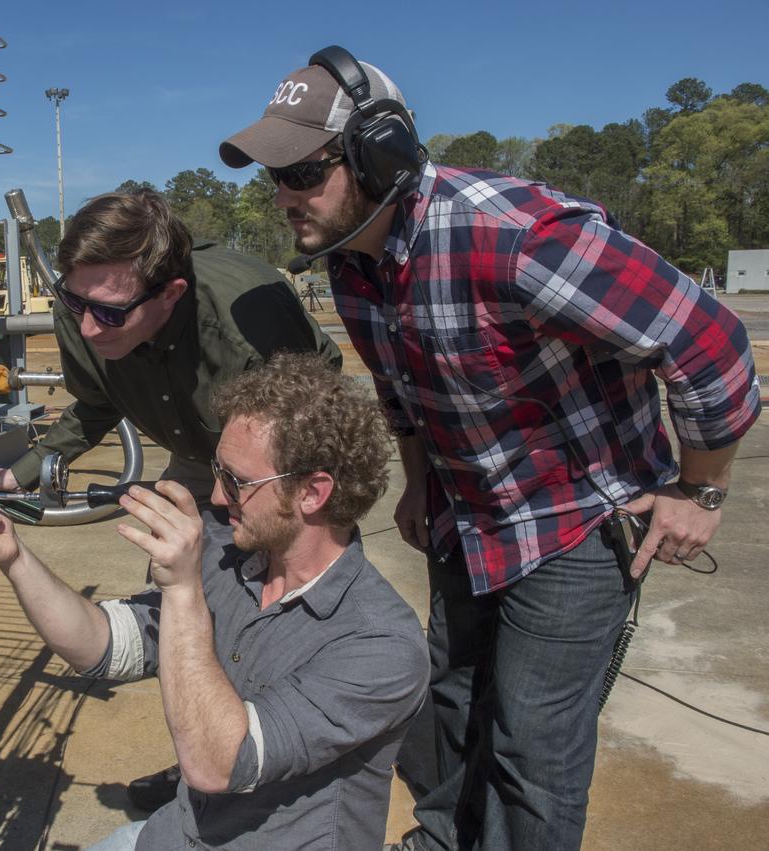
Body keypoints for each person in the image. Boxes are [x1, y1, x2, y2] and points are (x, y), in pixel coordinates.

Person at [219, 47, 760, 851]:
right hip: (466, 519)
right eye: (274, 176)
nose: (282, 195)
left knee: (530, 747)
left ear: (380, 153)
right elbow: (404, 393)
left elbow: (707, 339)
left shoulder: (513, 237)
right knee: (449, 708)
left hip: (573, 525)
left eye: (303, 172)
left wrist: (699, 489)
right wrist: (414, 484)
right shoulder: (350, 266)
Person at [0, 352, 428, 851]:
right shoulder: (228, 555)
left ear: (312, 493)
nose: (217, 496)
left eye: (237, 481)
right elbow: (103, 647)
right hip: (177, 834)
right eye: (218, 471)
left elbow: (218, 763)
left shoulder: (380, 644)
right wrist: (14, 557)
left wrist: (181, 589)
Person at [0, 189, 342, 811]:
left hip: (286, 457)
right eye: (75, 303)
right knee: (184, 603)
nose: (87, 326)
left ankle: (285, 766)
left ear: (169, 293)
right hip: (200, 455)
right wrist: (28, 469)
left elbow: (313, 423)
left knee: (284, 611)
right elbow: (94, 404)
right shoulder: (89, 299)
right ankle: (202, 753)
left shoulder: (247, 325)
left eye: (109, 314)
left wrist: (253, 513)